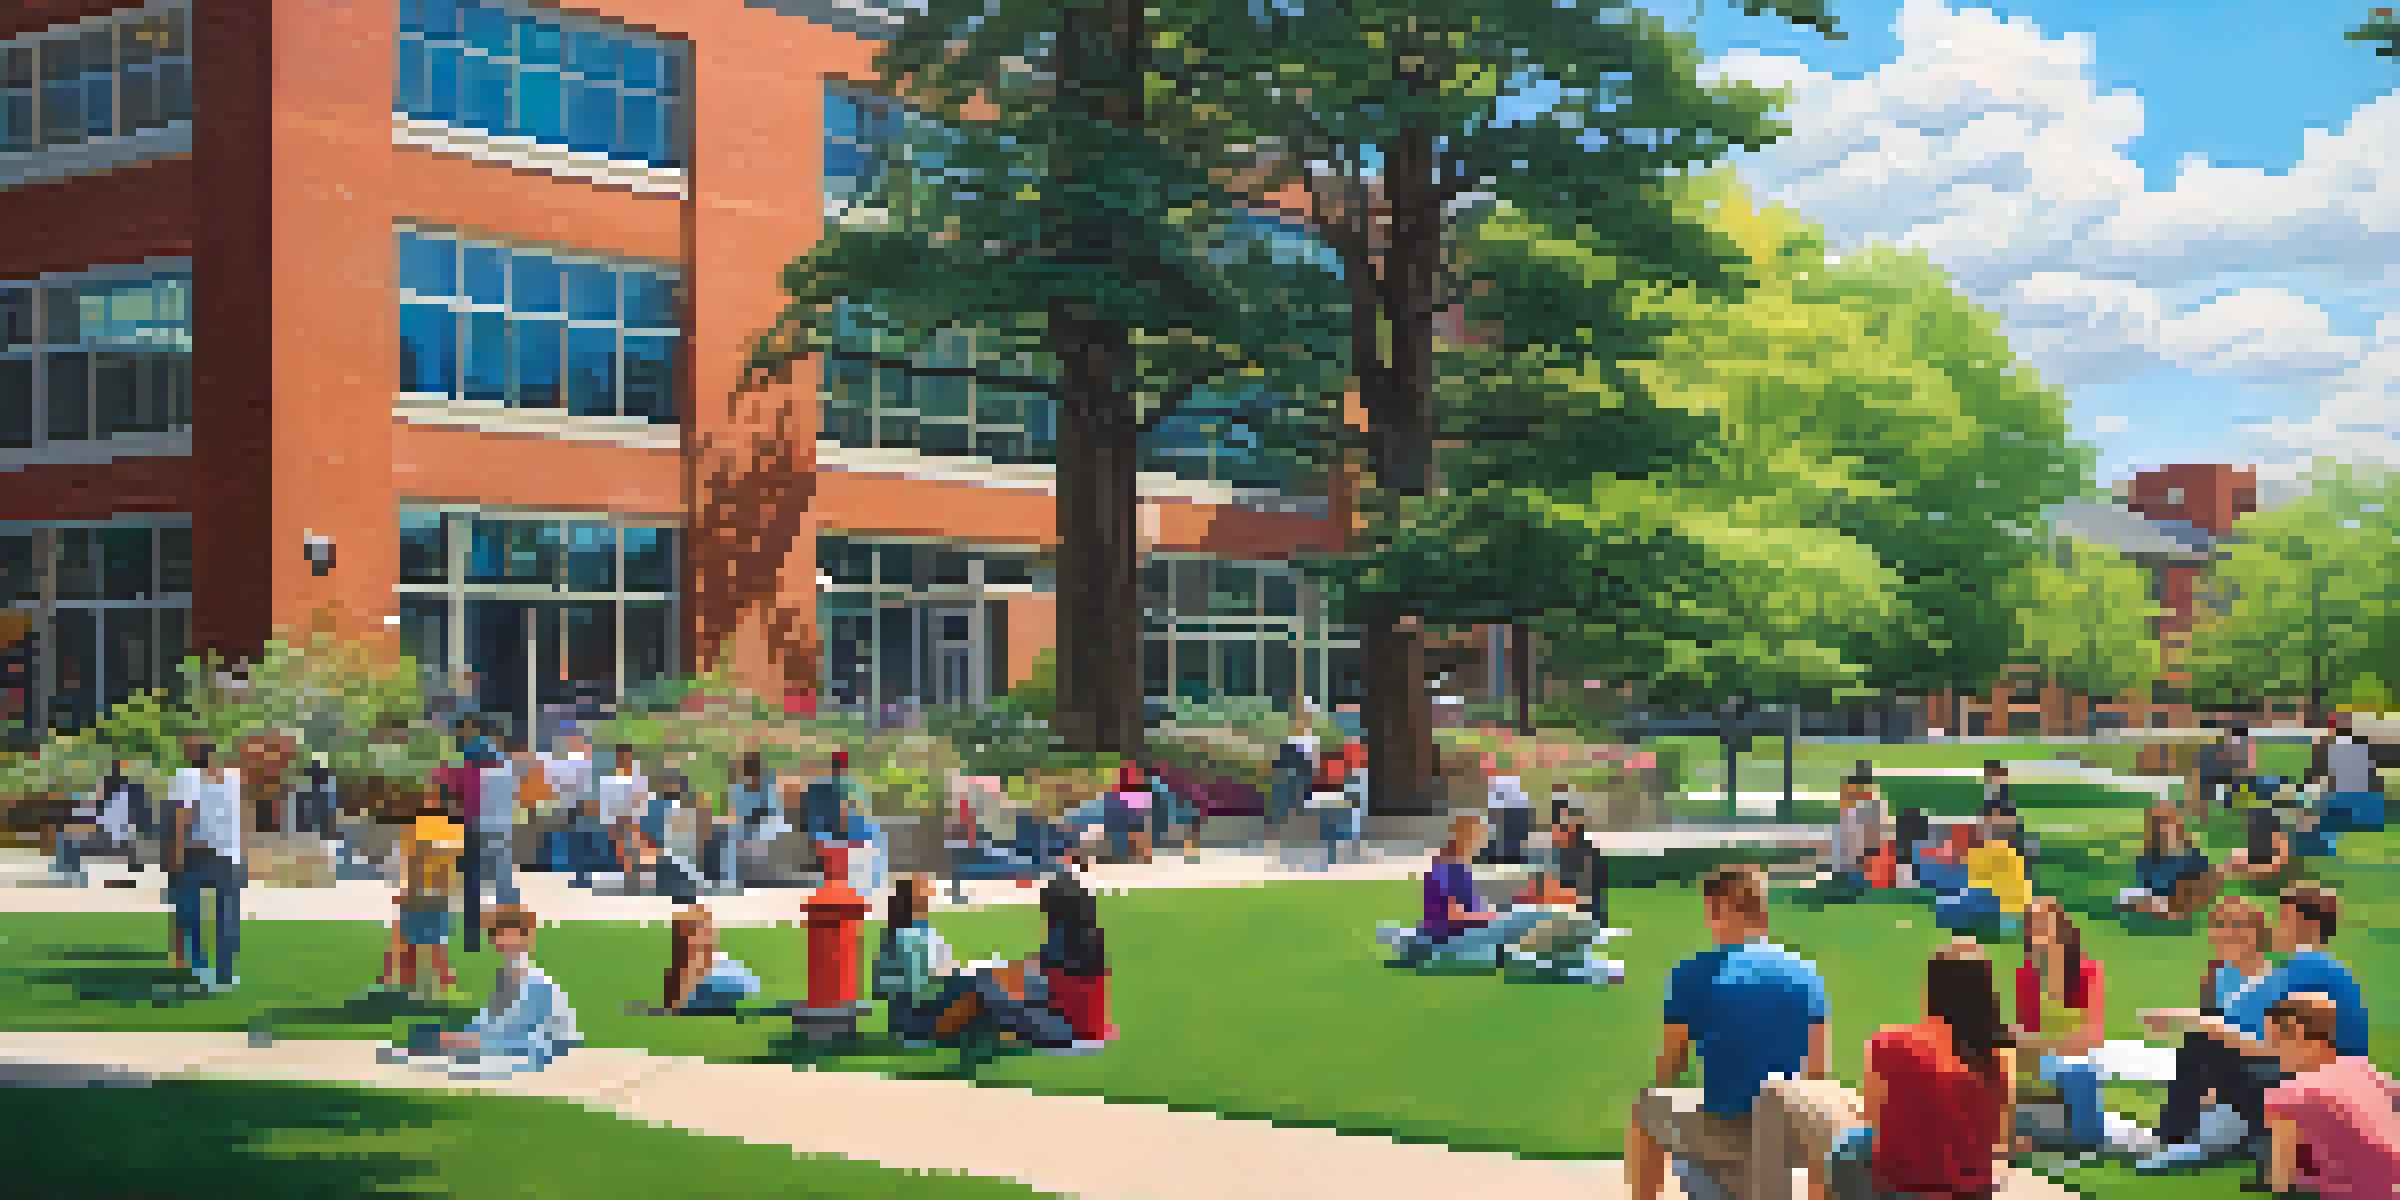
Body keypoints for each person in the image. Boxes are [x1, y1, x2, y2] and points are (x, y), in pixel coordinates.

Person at [1627, 864, 1830, 1200]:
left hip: (1723, 1131)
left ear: (1713, 911)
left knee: (1645, 1109)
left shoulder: (1691, 974)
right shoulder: (1808, 977)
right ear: (1762, 912)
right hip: (1787, 1137)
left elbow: (1671, 1068)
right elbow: (1817, 1074)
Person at [1808, 941, 2018, 1200]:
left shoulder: (1890, 1043)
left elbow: (1873, 1122)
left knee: (1840, 1151)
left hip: (1901, 1191)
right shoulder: (1999, 1058)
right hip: (1973, 1192)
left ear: (1931, 992)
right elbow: (1999, 1141)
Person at [2137, 896, 2287, 1172]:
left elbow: (2274, 1051)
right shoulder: (2221, 976)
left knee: (2199, 1040)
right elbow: (2212, 1034)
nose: (2219, 935)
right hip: (2233, 1077)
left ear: (2253, 936)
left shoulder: (2277, 983)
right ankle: (2174, 1137)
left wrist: (2184, 1019)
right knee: (2199, 1041)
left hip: (2270, 1079)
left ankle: (2173, 1138)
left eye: (2230, 929)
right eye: (2217, 928)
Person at [383, 904, 581, 1079]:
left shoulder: (534, 982)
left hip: (541, 1052)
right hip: (517, 1046)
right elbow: (490, 1021)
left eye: (511, 936)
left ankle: (413, 1054)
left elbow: (514, 1034)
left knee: (460, 1064)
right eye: (499, 936)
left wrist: (460, 1040)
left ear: (524, 938)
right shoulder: (508, 977)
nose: (504, 943)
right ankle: (410, 1052)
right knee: (440, 1043)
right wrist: (457, 1036)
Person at [2259, 992, 2400, 1198]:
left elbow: (2280, 1180)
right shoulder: (2367, 1071)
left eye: (2273, 1040)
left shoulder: (2286, 1096)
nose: (2270, 1051)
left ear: (2297, 1034)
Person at [2010, 897, 2111, 1151]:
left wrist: (2046, 1045)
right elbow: (2023, 1034)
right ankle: (2072, 1136)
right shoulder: (2026, 974)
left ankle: (2069, 1136)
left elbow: (2094, 1035)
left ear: (2061, 929)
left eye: (2044, 924)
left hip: (2076, 1060)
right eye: (2032, 926)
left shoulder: (2087, 972)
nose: (2038, 932)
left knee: (2080, 1073)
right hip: (2045, 1062)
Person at [1384, 815, 1552, 965]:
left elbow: (1468, 907)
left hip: (1462, 931)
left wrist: (1508, 905)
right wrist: (1491, 916)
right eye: (1478, 837)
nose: (1481, 842)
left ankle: (1414, 942)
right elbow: (1454, 916)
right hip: (1454, 936)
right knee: (1529, 915)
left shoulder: (1458, 867)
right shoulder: (1446, 870)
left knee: (1525, 912)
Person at [168, 742, 245, 991]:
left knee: (190, 909)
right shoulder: (233, 779)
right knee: (227, 914)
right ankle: (226, 972)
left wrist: (176, 853)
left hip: (199, 851)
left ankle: (199, 967)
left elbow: (183, 815)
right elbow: (241, 815)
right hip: (229, 853)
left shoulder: (186, 777)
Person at [382, 792, 464, 1004]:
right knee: (421, 942)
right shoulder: (448, 829)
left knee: (419, 942)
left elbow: (416, 861)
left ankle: (426, 984)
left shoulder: (422, 828)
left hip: (428, 894)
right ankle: (432, 984)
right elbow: (415, 861)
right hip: (430, 893)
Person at [1037, 869, 1115, 1048]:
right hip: (1094, 1026)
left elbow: (1051, 989)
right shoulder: (1094, 937)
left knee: (987, 986)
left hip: (1065, 1031)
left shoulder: (1056, 941)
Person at [2121, 804, 2220, 921]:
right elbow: (2143, 886)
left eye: (2167, 824)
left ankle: (2168, 913)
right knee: (2126, 896)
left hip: (2179, 901)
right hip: (2156, 899)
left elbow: (2203, 886)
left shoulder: (2192, 855)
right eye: (2158, 824)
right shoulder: (2147, 857)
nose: (2162, 829)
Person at [663, 904, 762, 1015]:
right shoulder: (676, 976)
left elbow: (750, 994)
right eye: (689, 932)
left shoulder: (732, 973)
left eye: (705, 929)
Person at [1936, 820, 2028, 937]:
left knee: (1946, 906)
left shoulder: (1991, 850)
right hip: (2014, 916)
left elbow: (1971, 882)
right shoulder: (2011, 851)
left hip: (2003, 915)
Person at [597, 745, 653, 890]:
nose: (624, 761)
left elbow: (643, 801)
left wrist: (639, 818)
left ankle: (635, 876)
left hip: (634, 820)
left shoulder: (639, 780)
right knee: (622, 848)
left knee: (634, 847)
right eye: (622, 758)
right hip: (618, 821)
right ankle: (628, 876)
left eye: (627, 757)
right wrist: (609, 822)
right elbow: (606, 803)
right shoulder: (609, 781)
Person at [1482, 753, 1532, 865]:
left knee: (1508, 839)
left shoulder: (1502, 780)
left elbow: (1499, 804)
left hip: (1511, 812)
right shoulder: (1496, 781)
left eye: (1486, 765)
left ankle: (1509, 857)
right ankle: (1508, 857)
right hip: (1512, 811)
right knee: (1506, 838)